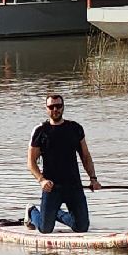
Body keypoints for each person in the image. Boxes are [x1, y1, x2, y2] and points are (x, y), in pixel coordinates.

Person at [28, 93, 99, 233]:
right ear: (46, 108)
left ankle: (56, 213)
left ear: (63, 107)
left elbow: (85, 156)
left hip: (74, 185)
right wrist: (41, 180)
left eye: (58, 106)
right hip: (51, 187)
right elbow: (31, 162)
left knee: (81, 228)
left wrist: (93, 179)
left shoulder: (75, 128)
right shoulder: (40, 131)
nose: (55, 109)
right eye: (51, 107)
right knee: (45, 229)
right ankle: (32, 211)